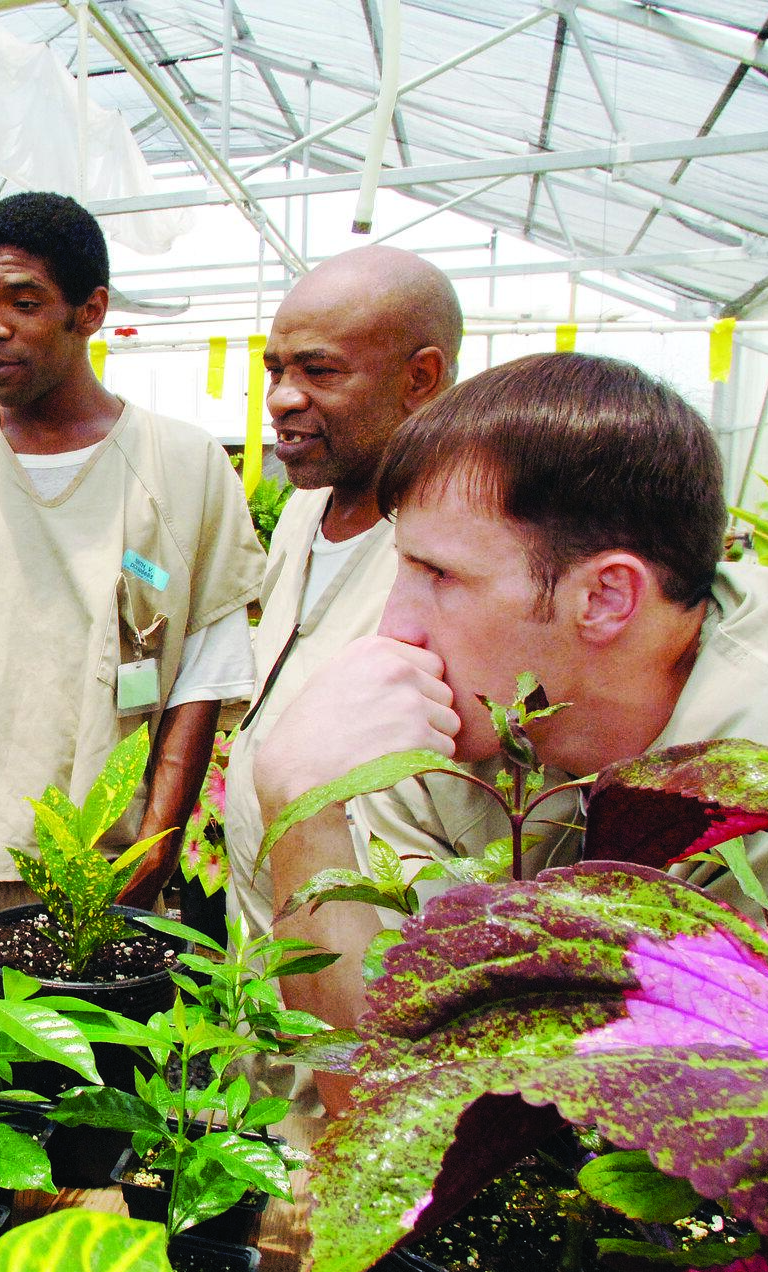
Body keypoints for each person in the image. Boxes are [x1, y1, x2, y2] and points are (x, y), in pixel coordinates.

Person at [253, 353, 768, 1097]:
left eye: (439, 576)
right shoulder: (457, 709)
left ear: (605, 598)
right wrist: (302, 805)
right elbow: (382, 1122)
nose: (392, 629)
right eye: (401, 570)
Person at [0, 191, 265, 952]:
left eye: (25, 301)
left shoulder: (181, 468)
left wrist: (155, 848)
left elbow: (204, 674)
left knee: (90, 1069)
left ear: (90, 311)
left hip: (103, 867)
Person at [221, 245, 461, 941]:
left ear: (420, 377)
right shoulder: (305, 510)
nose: (282, 397)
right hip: (267, 951)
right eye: (276, 371)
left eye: (319, 371)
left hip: (371, 960)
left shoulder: (461, 557)